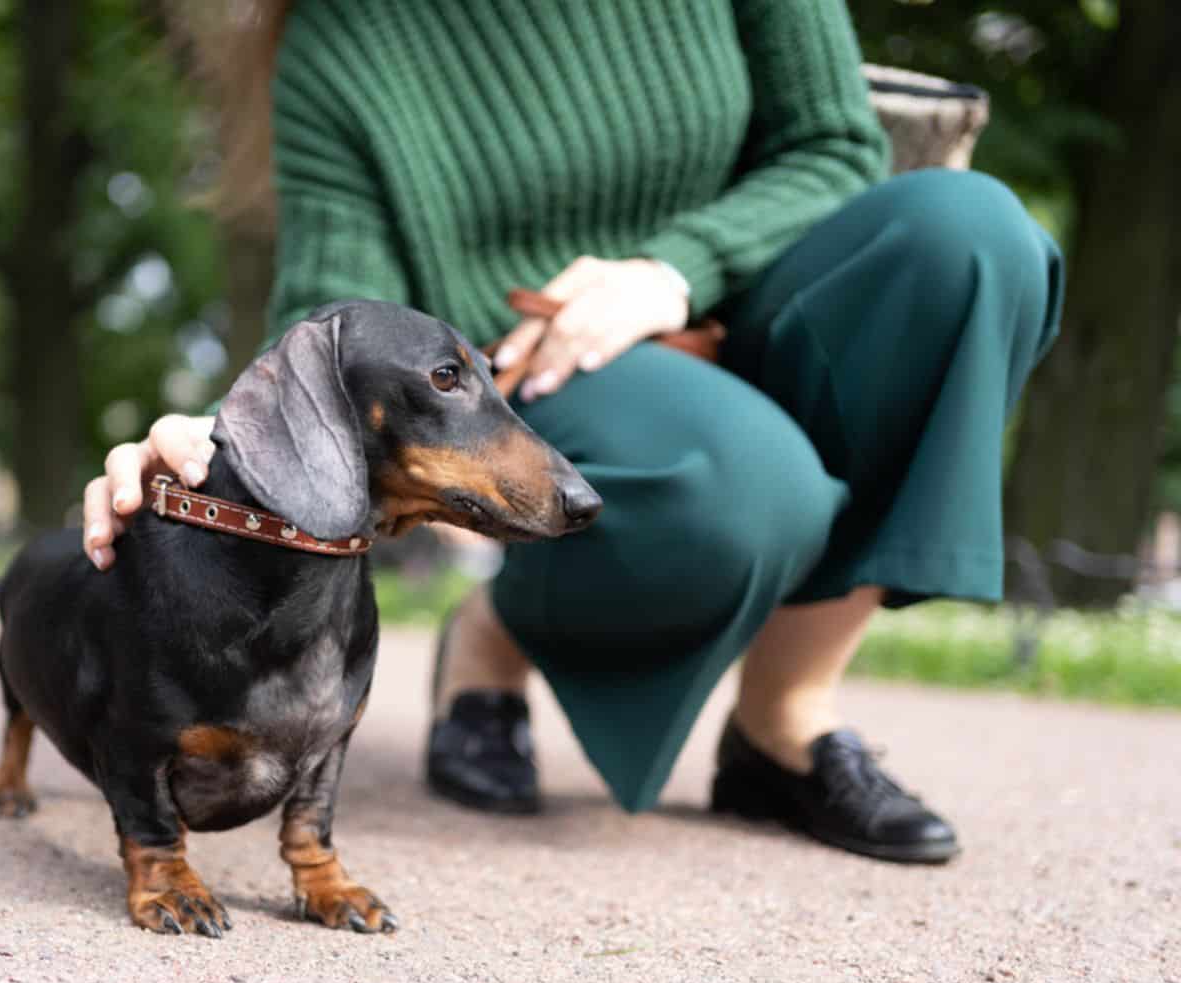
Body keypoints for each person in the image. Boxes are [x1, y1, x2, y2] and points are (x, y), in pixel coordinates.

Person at [82, 0, 1063, 863]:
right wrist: (216, 447)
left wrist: (668, 272)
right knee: (734, 493)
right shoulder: (342, 37)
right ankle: (501, 626)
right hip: (541, 378)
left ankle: (785, 715)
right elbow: (334, 315)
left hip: (768, 299)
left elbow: (835, 148)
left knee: (971, 238)